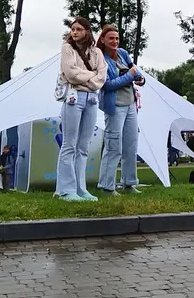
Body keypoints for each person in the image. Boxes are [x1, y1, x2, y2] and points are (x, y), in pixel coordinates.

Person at [55, 16, 107, 201]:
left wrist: (87, 78)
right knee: (69, 144)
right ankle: (65, 190)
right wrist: (91, 76)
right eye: (72, 29)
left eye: (78, 29)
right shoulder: (67, 49)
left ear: (87, 31)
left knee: (83, 146)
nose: (74, 32)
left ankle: (80, 188)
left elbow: (102, 77)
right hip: (73, 98)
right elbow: (71, 73)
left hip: (92, 99)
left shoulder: (97, 52)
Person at [96, 25, 144, 195]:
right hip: (114, 106)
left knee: (131, 145)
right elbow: (107, 85)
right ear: (103, 39)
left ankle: (129, 183)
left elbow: (134, 70)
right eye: (111, 38)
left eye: (117, 38)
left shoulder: (123, 53)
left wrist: (140, 78)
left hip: (130, 104)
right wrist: (130, 76)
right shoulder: (100, 59)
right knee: (113, 146)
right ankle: (107, 186)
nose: (115, 41)